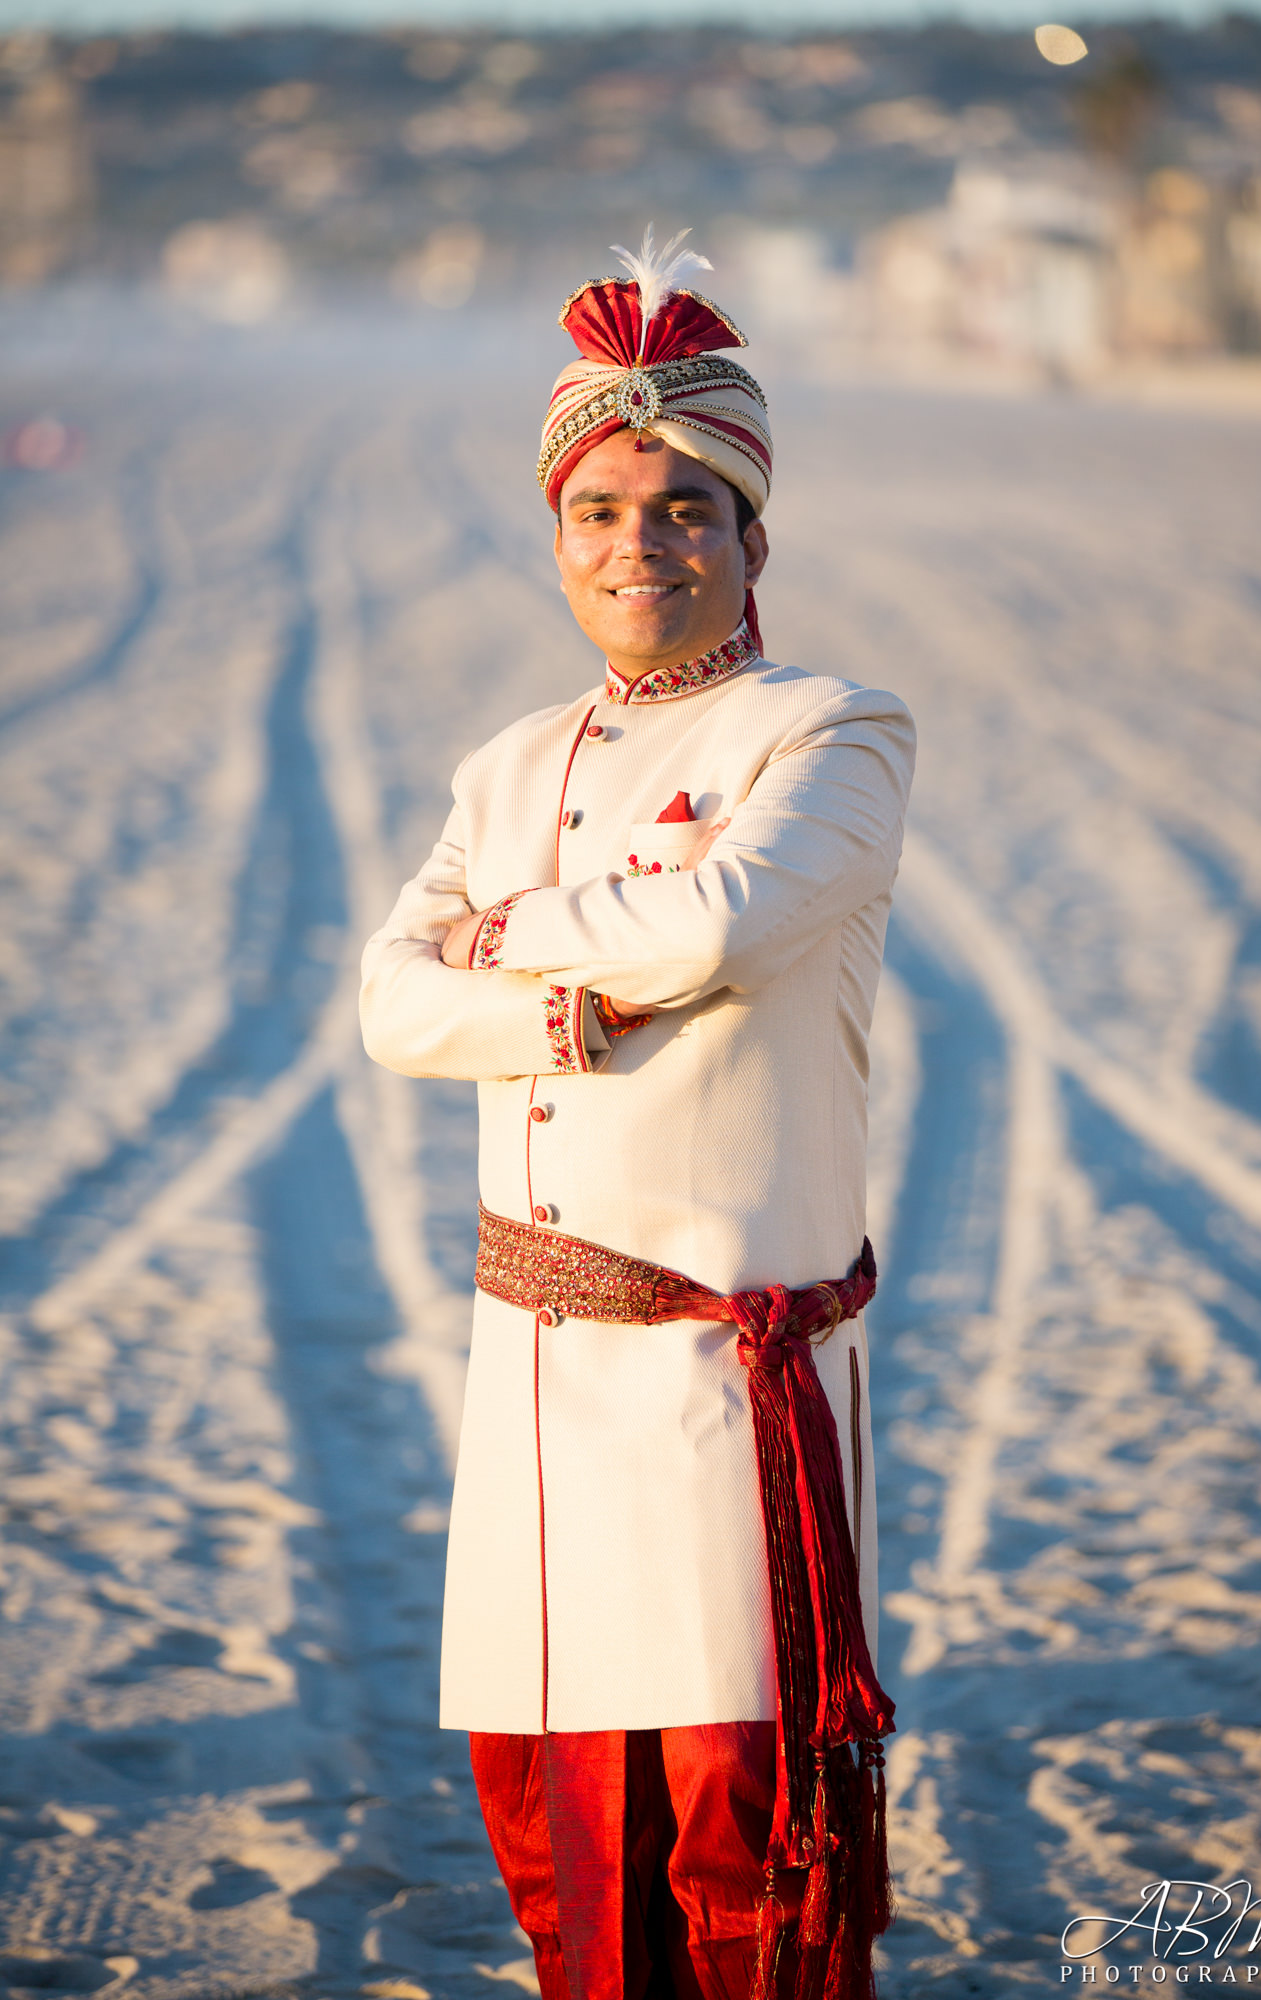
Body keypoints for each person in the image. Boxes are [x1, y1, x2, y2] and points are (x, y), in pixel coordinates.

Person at [359, 228, 916, 2000]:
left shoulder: (829, 726)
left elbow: (723, 918)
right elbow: (388, 1007)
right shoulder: (505, 763)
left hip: (712, 1391)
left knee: (743, 1851)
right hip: (526, 1394)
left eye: (684, 509)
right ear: (555, 538)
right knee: (555, 1844)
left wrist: (497, 954)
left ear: (753, 537)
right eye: (598, 510)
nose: (639, 544)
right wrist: (562, 995)